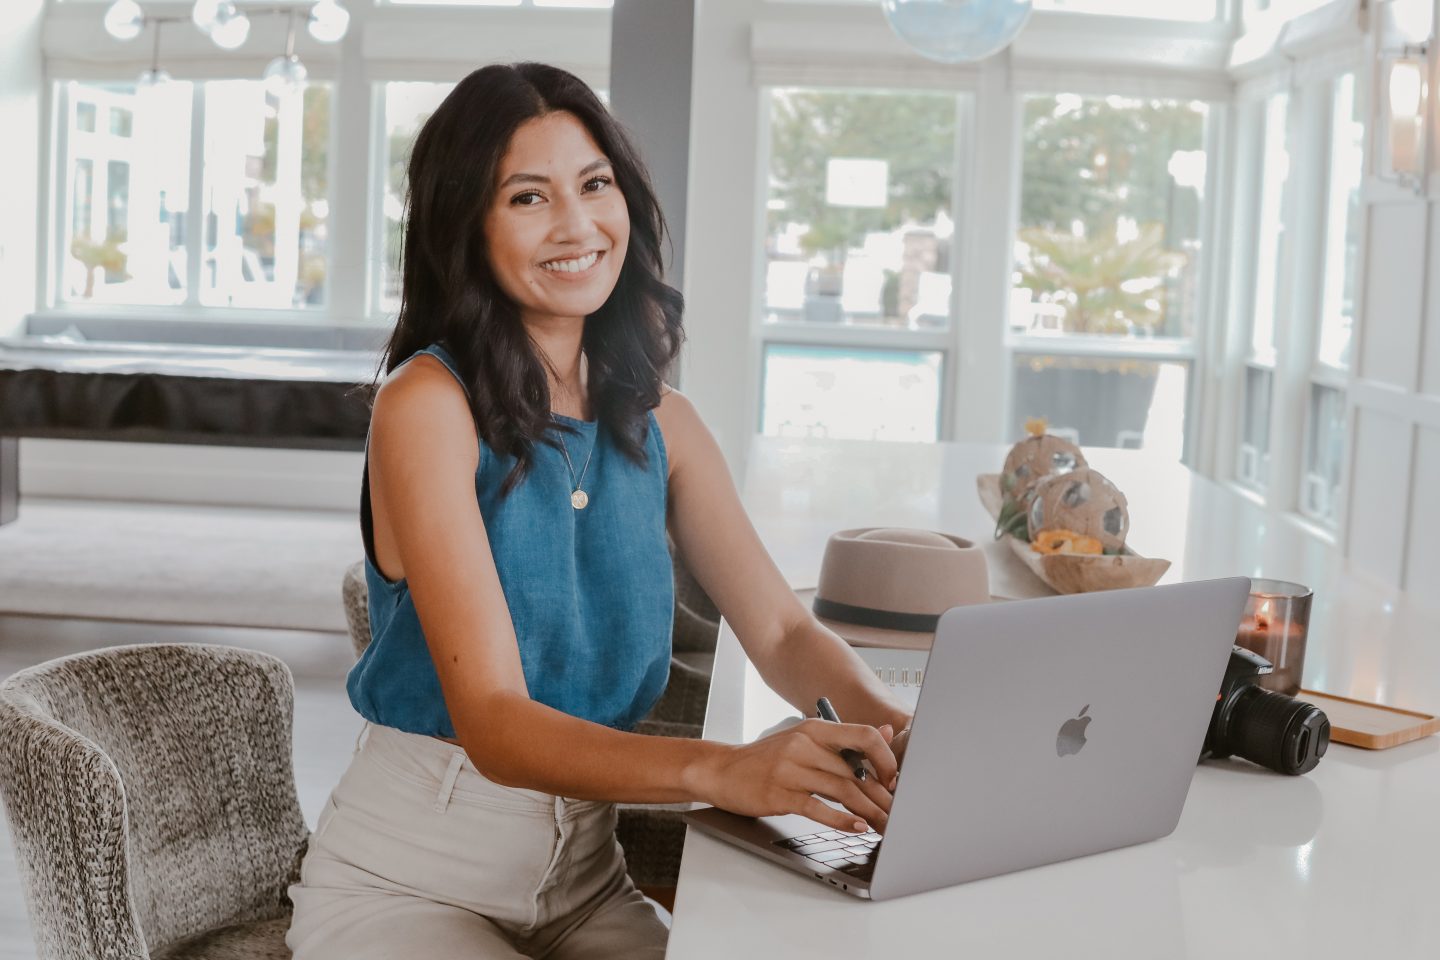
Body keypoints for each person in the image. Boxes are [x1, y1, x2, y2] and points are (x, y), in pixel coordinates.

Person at [285, 61, 915, 960]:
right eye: (528, 198)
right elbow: (495, 720)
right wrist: (723, 771)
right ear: (465, 225)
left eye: (595, 185)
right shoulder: (424, 405)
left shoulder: (662, 418)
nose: (578, 225)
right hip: (406, 886)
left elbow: (778, 631)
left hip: (585, 889)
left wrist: (899, 729)